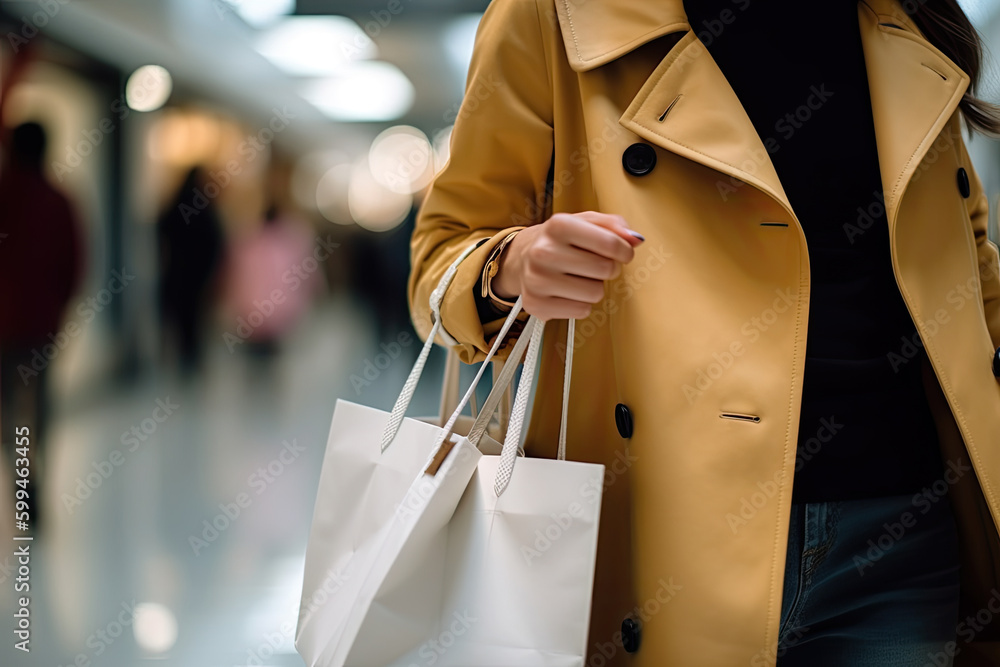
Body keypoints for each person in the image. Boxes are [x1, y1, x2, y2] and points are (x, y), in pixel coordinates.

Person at [408, 1, 1000, 665]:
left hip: (899, 529)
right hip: (666, 534)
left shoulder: (903, 16)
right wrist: (512, 265)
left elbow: (971, 278)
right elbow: (442, 254)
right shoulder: (556, 14)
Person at [0, 121, 85, 531]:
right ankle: (32, 480)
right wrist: (60, 309)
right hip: (41, 324)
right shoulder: (59, 201)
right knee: (38, 409)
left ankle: (22, 484)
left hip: (4, 326)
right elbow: (75, 264)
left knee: (8, 413)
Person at [156, 167, 225, 377]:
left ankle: (183, 358)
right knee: (195, 318)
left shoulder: (176, 203)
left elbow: (162, 228)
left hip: (177, 272)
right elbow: (215, 241)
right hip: (197, 275)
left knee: (180, 318)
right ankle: (192, 358)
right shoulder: (205, 207)